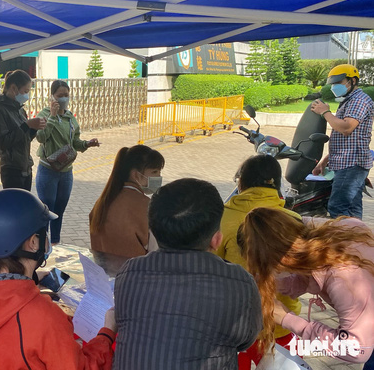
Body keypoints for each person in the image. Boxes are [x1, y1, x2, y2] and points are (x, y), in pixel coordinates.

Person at [0, 189, 117, 369]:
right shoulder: (44, 316)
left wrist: (29, 282)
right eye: (44, 234)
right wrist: (107, 333)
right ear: (33, 242)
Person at [114, 178, 262, 370]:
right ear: (216, 240)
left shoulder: (129, 273)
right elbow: (245, 341)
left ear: (154, 232)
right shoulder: (240, 283)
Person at [240, 207, 374, 364]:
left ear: (282, 260)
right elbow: (308, 276)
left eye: (269, 269)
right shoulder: (316, 235)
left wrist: (286, 318)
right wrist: (272, 284)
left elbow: (356, 349)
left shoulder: (341, 277)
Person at [214, 155, 302, 368]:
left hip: (236, 328)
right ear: (278, 184)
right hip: (282, 324)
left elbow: (213, 269)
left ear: (241, 183)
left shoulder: (222, 218)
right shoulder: (294, 219)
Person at [35, 80, 100, 244]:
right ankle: (42, 245)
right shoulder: (44, 115)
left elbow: (74, 142)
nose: (64, 98)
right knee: (46, 211)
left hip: (66, 172)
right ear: (52, 97)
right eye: (60, 95)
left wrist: (87, 144)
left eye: (66, 95)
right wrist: (52, 116)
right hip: (48, 171)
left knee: (59, 211)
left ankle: (55, 243)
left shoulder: (70, 117)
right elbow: (41, 137)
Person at [310, 64, 374, 219]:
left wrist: (325, 112)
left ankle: (343, 241)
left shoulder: (359, 100)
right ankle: (355, 240)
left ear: (352, 81)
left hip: (351, 164)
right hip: (347, 162)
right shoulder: (349, 100)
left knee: (338, 207)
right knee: (352, 208)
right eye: (333, 84)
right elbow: (344, 139)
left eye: (338, 83)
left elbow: (346, 128)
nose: (335, 87)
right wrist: (324, 162)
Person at [89, 145, 164, 258]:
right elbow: (156, 251)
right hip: (135, 272)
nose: (159, 176)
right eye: (154, 172)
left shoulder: (103, 202)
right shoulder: (146, 206)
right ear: (136, 175)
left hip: (103, 272)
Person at [0, 69, 46, 190]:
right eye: (25, 91)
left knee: (25, 206)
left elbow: (24, 138)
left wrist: (34, 128)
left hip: (25, 167)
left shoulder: (20, 109)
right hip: (11, 170)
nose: (27, 95)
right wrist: (27, 125)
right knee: (15, 207)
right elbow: (3, 143)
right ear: (14, 88)